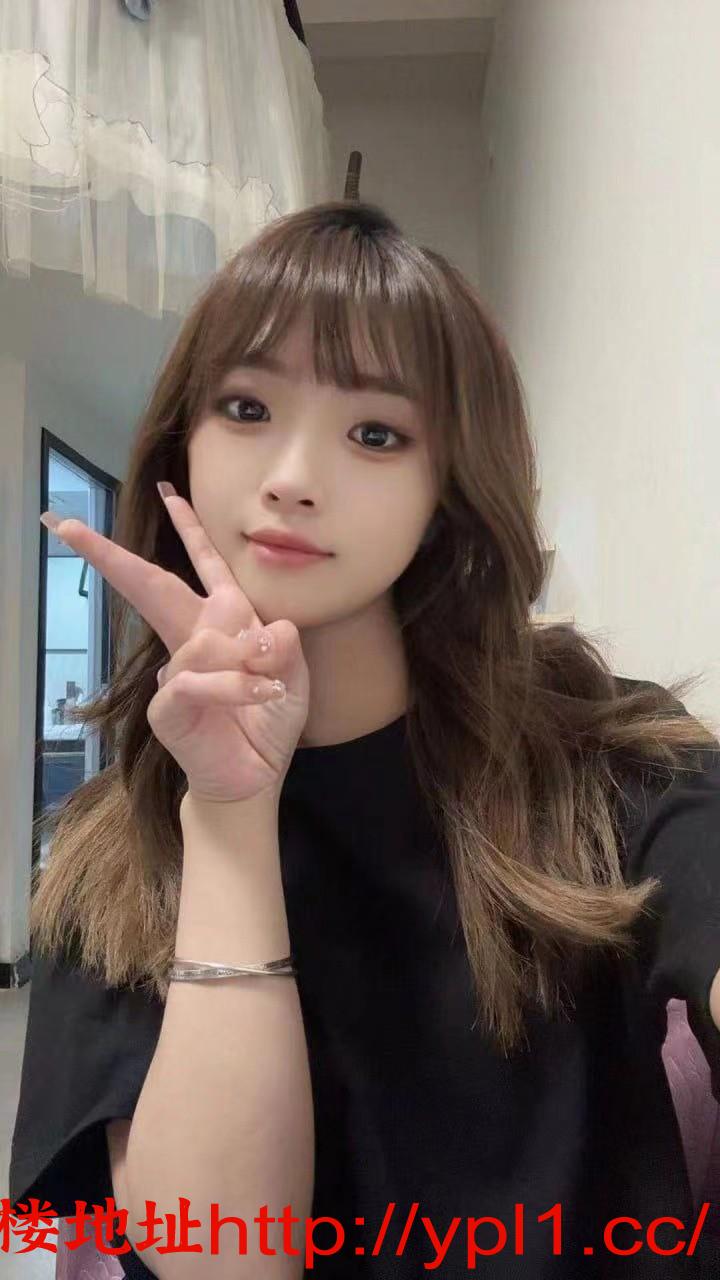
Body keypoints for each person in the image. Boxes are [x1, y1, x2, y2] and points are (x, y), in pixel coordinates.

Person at [8, 199, 720, 1279]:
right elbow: (223, 1261)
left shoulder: (606, 761)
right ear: (182, 446)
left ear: (447, 488)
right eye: (247, 407)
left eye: (376, 433)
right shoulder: (116, 848)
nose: (294, 475)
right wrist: (231, 814)